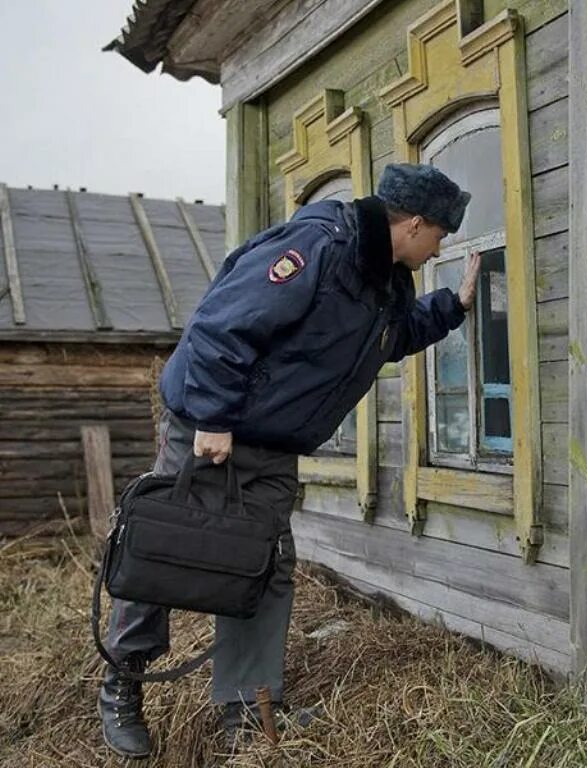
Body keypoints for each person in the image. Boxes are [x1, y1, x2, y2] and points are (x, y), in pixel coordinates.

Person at [98, 163, 481, 759]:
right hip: (211, 427)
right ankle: (124, 682)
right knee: (162, 546)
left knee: (266, 564)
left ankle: (248, 706)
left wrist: (450, 308)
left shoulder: (386, 279)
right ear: (412, 223)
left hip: (275, 444)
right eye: (441, 235)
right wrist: (215, 416)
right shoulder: (319, 247)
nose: (442, 247)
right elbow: (222, 326)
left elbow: (384, 340)